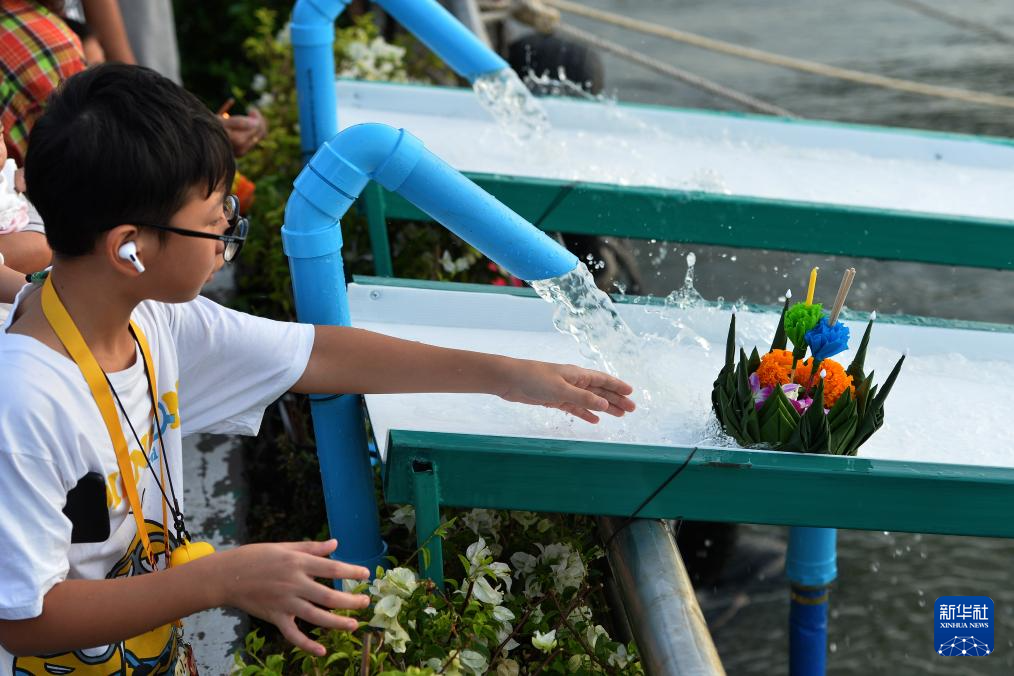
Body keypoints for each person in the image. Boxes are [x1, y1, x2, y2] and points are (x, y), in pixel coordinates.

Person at [0, 64, 636, 671]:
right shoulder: (26, 402)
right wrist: (222, 577)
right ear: (130, 250)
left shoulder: (150, 321)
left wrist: (508, 376)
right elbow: (26, 619)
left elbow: (320, 354)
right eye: (213, 220)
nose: (227, 232)